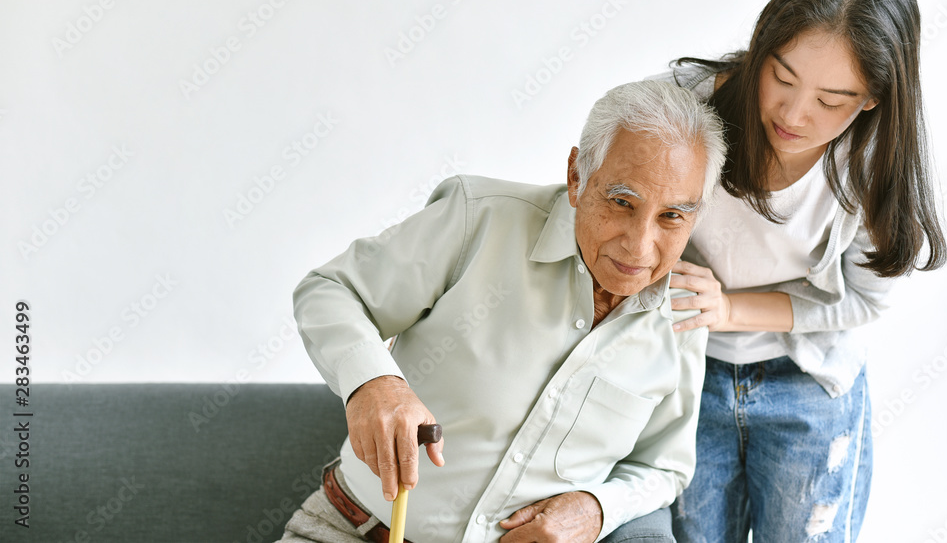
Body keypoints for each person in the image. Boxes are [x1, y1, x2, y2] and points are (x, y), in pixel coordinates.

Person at [276, 80, 727, 543]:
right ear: (577, 176)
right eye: (621, 202)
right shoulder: (478, 219)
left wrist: (596, 508)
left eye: (672, 216)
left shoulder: (684, 315)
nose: (639, 244)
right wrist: (373, 382)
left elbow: (663, 466)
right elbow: (329, 290)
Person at [624, 0, 947, 542]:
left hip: (809, 384)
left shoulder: (874, 166)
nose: (794, 114)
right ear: (760, 47)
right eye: (782, 76)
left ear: (873, 98)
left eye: (832, 100)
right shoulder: (681, 107)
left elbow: (864, 300)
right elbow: (596, 201)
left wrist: (731, 310)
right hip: (682, 375)